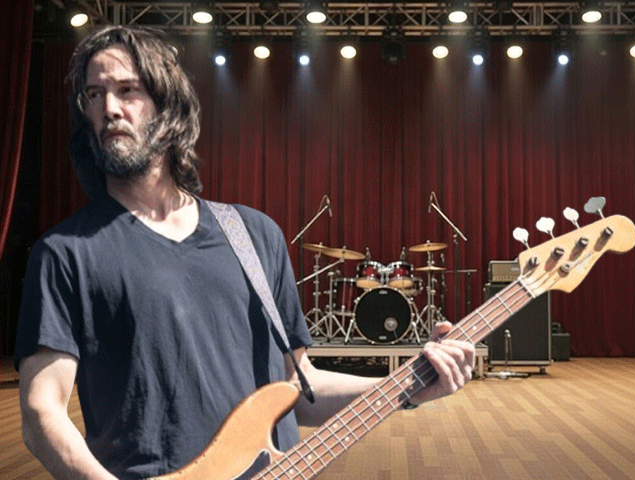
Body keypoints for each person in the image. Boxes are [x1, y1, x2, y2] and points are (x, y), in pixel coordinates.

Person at [15, 26, 475, 480]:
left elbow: (297, 387)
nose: (110, 108)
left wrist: (408, 386)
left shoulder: (253, 235)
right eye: (94, 95)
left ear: (168, 106)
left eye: (127, 90)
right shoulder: (65, 254)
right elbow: (42, 412)